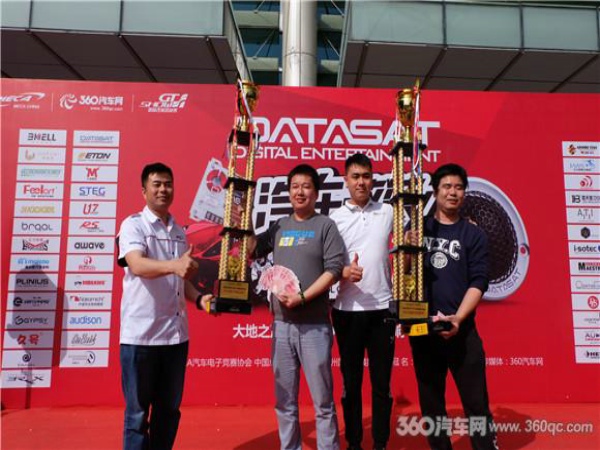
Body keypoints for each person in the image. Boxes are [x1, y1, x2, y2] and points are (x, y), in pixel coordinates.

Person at [117, 162, 213, 450]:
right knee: (137, 416)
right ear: (144, 190)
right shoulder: (133, 225)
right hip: (141, 338)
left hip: (175, 338)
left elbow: (180, 279)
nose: (163, 189)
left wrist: (200, 298)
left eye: (168, 184)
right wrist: (175, 265)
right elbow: (137, 264)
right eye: (156, 184)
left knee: (168, 413)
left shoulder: (179, 232)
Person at [253, 164, 345, 450]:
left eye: (306, 186)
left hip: (314, 327)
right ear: (289, 192)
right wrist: (240, 222)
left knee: (323, 402)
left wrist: (303, 297)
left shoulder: (325, 226)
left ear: (316, 193)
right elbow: (252, 250)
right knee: (285, 401)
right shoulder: (280, 226)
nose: (300, 191)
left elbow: (334, 269)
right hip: (282, 326)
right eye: (295, 186)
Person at [409, 163, 498, 450]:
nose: (453, 192)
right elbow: (404, 275)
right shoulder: (418, 229)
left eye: (459, 187)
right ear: (435, 191)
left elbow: (479, 280)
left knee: (476, 402)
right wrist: (408, 249)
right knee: (432, 404)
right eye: (447, 186)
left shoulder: (473, 235)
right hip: (424, 329)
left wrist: (458, 318)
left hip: (462, 330)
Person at [330, 154, 396, 450]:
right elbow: (326, 263)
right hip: (347, 311)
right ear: (346, 180)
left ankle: (380, 442)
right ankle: (354, 442)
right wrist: (343, 271)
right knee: (351, 384)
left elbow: (413, 237)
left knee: (382, 385)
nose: (361, 182)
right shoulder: (334, 219)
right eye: (355, 176)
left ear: (373, 179)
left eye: (366, 176)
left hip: (383, 310)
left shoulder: (388, 211)